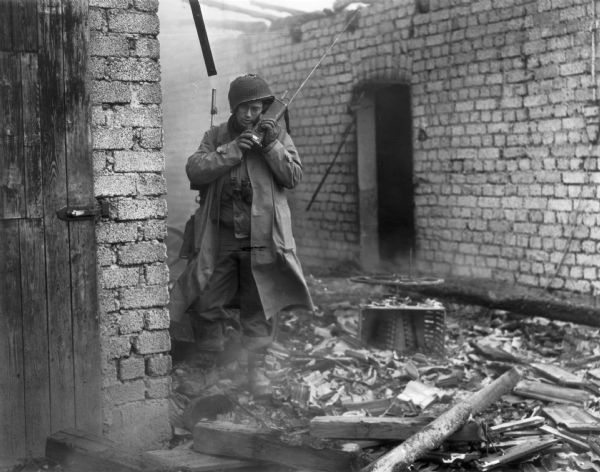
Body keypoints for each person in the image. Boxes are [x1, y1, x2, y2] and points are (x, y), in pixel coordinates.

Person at [169, 74, 313, 392]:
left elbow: (293, 176)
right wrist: (232, 150)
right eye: (245, 108)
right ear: (234, 109)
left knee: (259, 303)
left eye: (258, 107)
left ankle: (256, 371)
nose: (252, 114)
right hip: (219, 238)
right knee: (205, 298)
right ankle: (206, 366)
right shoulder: (217, 135)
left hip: (262, 238)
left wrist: (273, 146)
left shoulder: (276, 135)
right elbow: (195, 168)